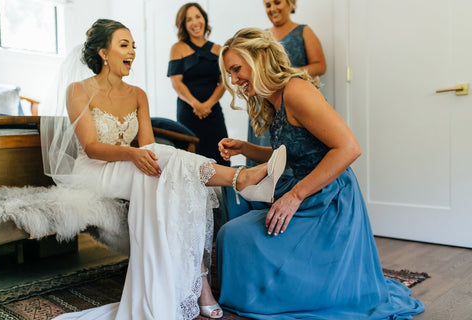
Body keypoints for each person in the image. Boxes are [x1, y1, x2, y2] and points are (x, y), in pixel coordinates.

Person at [44, 20, 287, 320]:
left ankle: (200, 281)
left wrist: (140, 155)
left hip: (131, 163)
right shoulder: (78, 90)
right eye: (124, 44)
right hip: (95, 170)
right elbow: (91, 146)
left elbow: (150, 147)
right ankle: (240, 179)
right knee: (162, 172)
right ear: (103, 52)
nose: (132, 50)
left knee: (170, 176)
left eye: (134, 45)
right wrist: (133, 154)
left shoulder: (138, 94)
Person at [215, 27, 424, 319]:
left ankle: (272, 288)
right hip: (302, 185)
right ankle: (260, 280)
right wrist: (246, 148)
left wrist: (295, 196)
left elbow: (349, 147)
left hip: (328, 199)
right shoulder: (272, 97)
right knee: (234, 197)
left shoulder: (296, 91)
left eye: (237, 70)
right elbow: (292, 154)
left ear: (260, 57)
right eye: (230, 74)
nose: (235, 81)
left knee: (233, 236)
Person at [247, 0, 327, 167]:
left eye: (277, 3)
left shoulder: (304, 31)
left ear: (290, 4)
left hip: (293, 102)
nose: (273, 9)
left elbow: (320, 65)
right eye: (268, 5)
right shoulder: (261, 37)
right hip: (267, 106)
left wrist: (285, 76)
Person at [168, 2, 230, 166]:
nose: (195, 22)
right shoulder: (177, 48)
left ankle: (223, 192)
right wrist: (196, 104)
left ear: (204, 19)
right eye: (189, 19)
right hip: (188, 112)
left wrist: (208, 104)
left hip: (213, 111)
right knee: (190, 161)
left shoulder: (218, 49)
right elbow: (176, 82)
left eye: (198, 16)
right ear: (184, 25)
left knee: (220, 157)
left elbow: (223, 82)